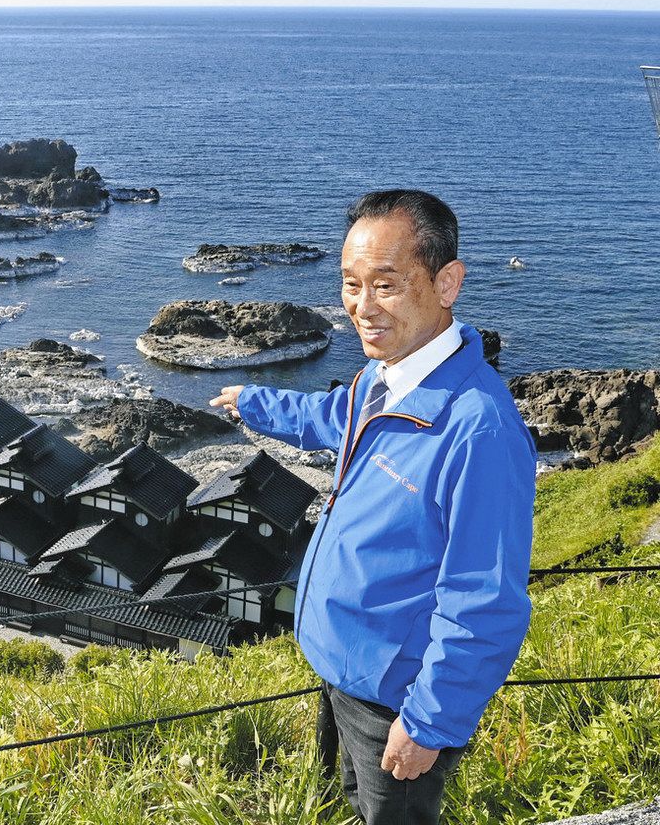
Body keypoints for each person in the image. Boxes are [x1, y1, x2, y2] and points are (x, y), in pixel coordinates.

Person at [210, 189, 535, 825]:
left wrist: (429, 723)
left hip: (397, 702)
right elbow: (333, 417)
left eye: (385, 285)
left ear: (447, 283)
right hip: (344, 671)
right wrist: (254, 402)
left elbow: (485, 600)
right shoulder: (384, 379)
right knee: (347, 809)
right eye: (351, 284)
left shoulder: (479, 431)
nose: (362, 307)